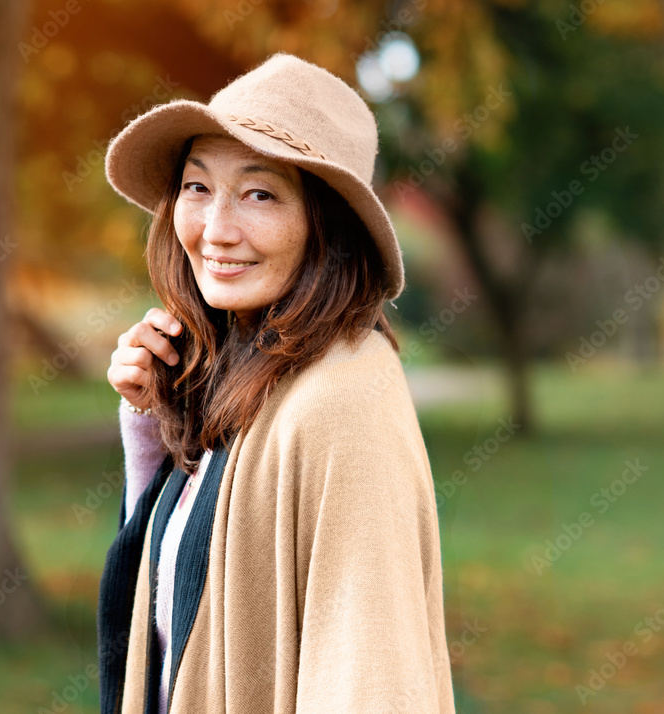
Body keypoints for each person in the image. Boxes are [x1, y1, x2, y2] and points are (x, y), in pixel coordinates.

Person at [97, 52, 455, 714]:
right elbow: (173, 619)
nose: (215, 230)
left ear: (328, 226)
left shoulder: (344, 401)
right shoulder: (249, 378)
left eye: (260, 194)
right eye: (197, 187)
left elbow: (368, 678)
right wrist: (156, 424)